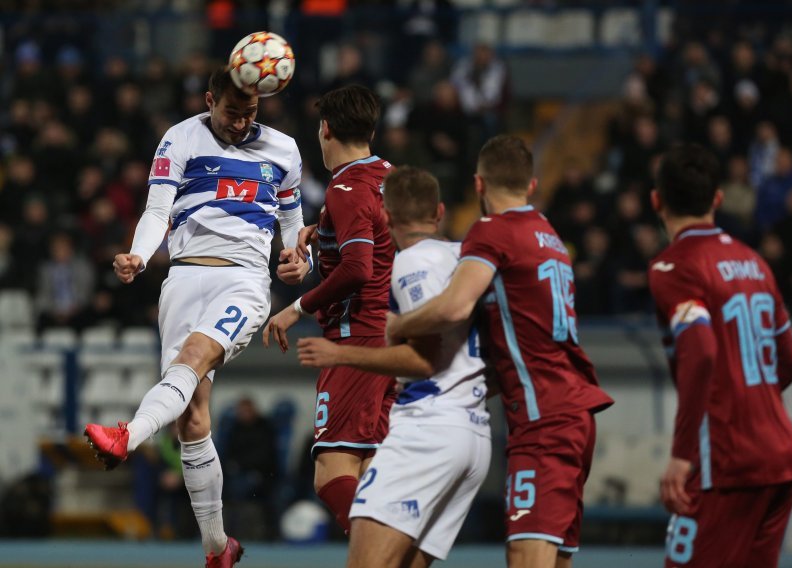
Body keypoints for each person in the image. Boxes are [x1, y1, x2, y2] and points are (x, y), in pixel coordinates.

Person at [84, 66, 310, 568]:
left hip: (245, 281)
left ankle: (128, 434)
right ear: (210, 99)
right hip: (184, 277)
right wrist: (139, 255)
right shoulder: (179, 138)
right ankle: (216, 548)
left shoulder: (284, 150)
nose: (239, 122)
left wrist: (300, 261)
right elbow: (157, 209)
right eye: (231, 112)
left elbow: (294, 227)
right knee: (191, 418)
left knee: (192, 357)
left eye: (249, 113)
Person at [386, 135, 613, 568]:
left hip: (543, 419)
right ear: (531, 185)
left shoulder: (493, 231)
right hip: (575, 413)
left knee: (526, 557)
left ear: (478, 184)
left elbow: (455, 305)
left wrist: (398, 325)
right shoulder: (549, 236)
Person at [296, 166, 491, 567]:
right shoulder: (466, 262)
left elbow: (423, 359)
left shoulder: (409, 266)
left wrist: (340, 354)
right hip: (477, 432)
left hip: (430, 427)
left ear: (384, 216)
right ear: (439, 212)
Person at [648, 143, 792, 568]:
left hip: (726, 462)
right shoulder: (755, 263)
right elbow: (790, 361)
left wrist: (681, 455)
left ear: (656, 200)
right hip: (781, 455)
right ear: (717, 198)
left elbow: (699, 351)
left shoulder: (672, 267)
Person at [264, 84, 396, 534]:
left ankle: (386, 557)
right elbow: (378, 245)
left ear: (325, 130)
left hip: (356, 340)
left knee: (331, 474)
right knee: (372, 471)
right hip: (392, 337)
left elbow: (359, 269)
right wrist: (318, 232)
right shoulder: (388, 176)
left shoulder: (345, 188)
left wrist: (295, 308)